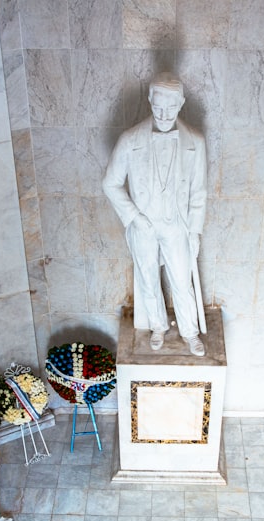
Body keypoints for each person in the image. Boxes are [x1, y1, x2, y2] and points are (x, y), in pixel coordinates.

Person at [103, 72, 208, 356]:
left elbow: (199, 192)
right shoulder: (130, 139)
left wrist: (195, 232)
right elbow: (110, 183)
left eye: (170, 107)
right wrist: (135, 217)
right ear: (149, 100)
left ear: (181, 104)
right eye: (158, 106)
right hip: (143, 225)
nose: (163, 114)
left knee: (181, 282)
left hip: (177, 227)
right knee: (148, 279)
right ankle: (158, 325)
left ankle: (190, 331)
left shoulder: (195, 142)